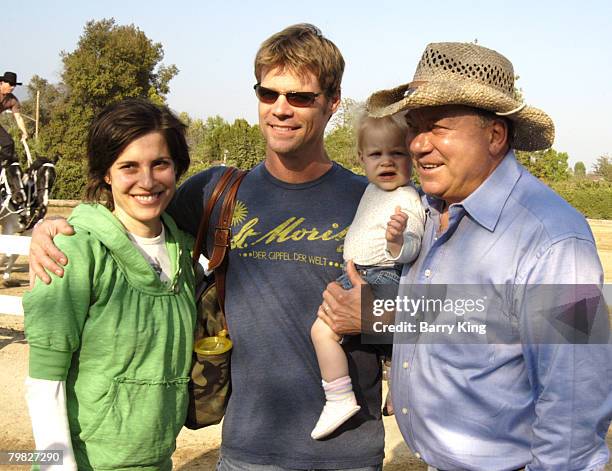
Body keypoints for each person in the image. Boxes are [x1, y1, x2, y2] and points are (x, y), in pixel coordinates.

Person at [29, 24, 386, 470]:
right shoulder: (214, 193)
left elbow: (451, 313)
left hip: (346, 456)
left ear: (332, 102)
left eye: (299, 97)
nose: (280, 109)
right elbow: (130, 210)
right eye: (268, 94)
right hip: (245, 453)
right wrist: (56, 225)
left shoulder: (373, 200)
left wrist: (373, 313)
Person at [319, 42, 612, 471]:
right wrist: (376, 313)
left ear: (495, 136)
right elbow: (471, 315)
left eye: (437, 127)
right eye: (414, 127)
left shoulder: (555, 241)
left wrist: (371, 315)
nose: (417, 145)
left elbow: (576, 398)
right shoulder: (428, 210)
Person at [24, 98, 195, 470]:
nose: (147, 182)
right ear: (106, 173)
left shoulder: (183, 250)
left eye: (160, 164)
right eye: (128, 166)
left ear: (176, 167)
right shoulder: (71, 252)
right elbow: (44, 382)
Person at [310, 113, 425, 440]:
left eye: (397, 153)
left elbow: (412, 245)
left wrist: (397, 241)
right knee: (389, 348)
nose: (387, 161)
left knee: (321, 331)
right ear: (361, 159)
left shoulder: (406, 197)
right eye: (376, 154)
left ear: (411, 157)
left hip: (382, 274)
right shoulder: (372, 191)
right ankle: (399, 389)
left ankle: (338, 397)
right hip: (365, 273)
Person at [0, 71, 28, 160]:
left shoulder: (12, 100)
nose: (12, 87)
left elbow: (18, 118)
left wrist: (24, 132)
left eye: (14, 85)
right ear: (2, 82)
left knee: (9, 143)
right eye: (11, 84)